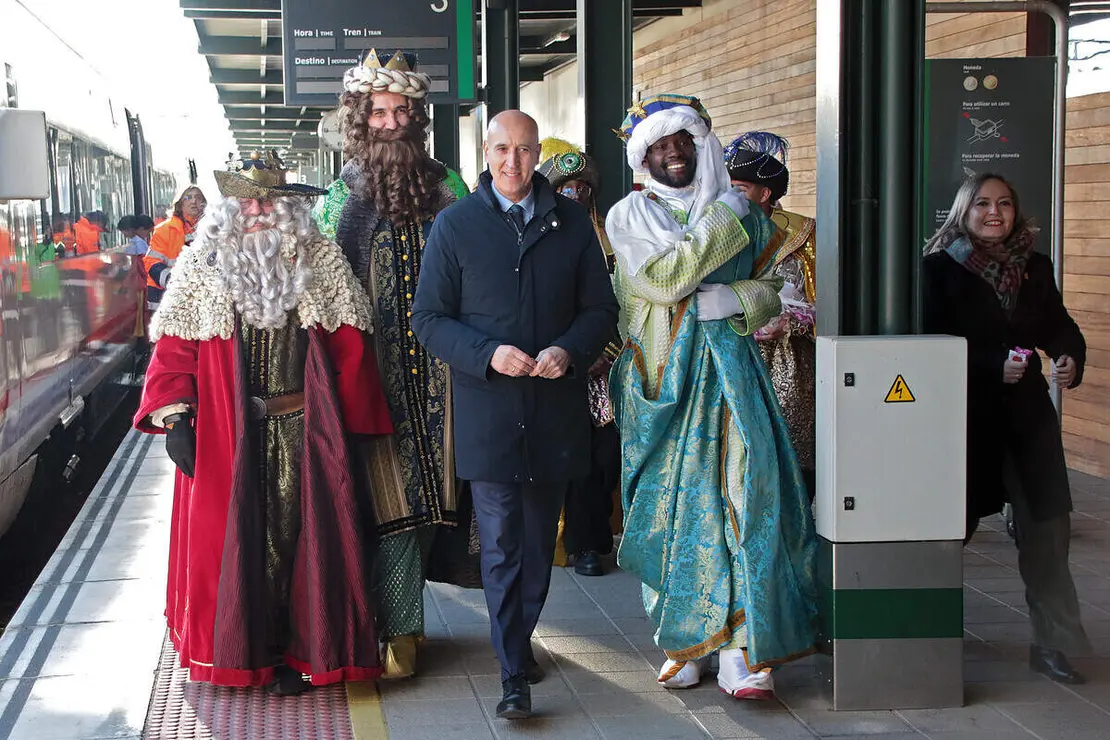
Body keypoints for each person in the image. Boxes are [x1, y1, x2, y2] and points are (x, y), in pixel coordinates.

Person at [134, 151, 393, 695]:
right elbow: (175, 349)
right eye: (247, 199)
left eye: (268, 200)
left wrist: (359, 422)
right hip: (227, 434)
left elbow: (350, 346)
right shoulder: (202, 264)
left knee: (302, 544)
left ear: (287, 207)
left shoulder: (318, 260)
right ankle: (238, 650)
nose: (257, 209)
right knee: (236, 544)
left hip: (305, 430)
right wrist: (176, 416)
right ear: (229, 206)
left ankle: (299, 654)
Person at [605, 94, 818, 701]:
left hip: (736, 378)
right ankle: (685, 639)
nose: (673, 154)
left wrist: (741, 300)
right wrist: (724, 220)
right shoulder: (630, 216)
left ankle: (740, 645)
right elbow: (666, 281)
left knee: (747, 498)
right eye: (659, 147)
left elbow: (783, 289)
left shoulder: (752, 216)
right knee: (673, 508)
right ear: (643, 158)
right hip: (664, 383)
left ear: (701, 146)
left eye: (682, 142)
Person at [412, 110, 619, 720]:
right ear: (486, 150)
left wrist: (568, 351)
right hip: (489, 413)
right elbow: (428, 319)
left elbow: (601, 311)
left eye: (524, 151)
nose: (513, 162)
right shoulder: (455, 226)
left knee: (535, 543)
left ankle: (519, 639)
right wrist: (486, 354)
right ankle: (511, 675)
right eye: (502, 149)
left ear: (538, 155)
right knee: (501, 544)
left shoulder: (573, 224)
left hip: (554, 409)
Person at [313, 49, 471, 679]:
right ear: (361, 118)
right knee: (389, 501)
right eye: (380, 112)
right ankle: (397, 628)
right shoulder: (337, 198)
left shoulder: (450, 187)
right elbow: (321, 289)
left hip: (446, 375)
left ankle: (402, 625)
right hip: (372, 378)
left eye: (403, 110)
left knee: (439, 497)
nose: (393, 121)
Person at [923, 172, 1091, 684]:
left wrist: (1068, 356)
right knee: (946, 534)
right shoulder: (937, 269)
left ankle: (1054, 644)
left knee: (1047, 530)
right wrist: (989, 364)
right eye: (983, 204)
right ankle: (922, 638)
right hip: (965, 420)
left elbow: (1057, 324)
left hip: (1027, 419)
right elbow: (928, 343)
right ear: (963, 211)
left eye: (1005, 204)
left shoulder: (1034, 267)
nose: (995, 212)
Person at [536, 138, 621, 577]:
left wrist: (605, 352)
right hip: (559, 367)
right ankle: (578, 545)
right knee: (571, 459)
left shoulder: (615, 234)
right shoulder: (543, 236)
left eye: (582, 187)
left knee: (605, 459)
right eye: (566, 187)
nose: (575, 194)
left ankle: (599, 536)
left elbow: (622, 299)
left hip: (610, 368)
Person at [725, 131, 817, 499]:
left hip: (791, 368)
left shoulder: (804, 236)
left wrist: (790, 321)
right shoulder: (715, 228)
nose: (731, 195)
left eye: (740, 188)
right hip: (733, 361)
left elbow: (828, 305)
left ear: (765, 194)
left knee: (793, 463)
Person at [145, 185, 206, 313]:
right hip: (166, 299)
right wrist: (174, 281)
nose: (194, 201)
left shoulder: (212, 229)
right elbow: (151, 261)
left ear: (204, 203)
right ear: (180, 203)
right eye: (188, 197)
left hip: (201, 300)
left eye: (198, 197)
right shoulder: (164, 230)